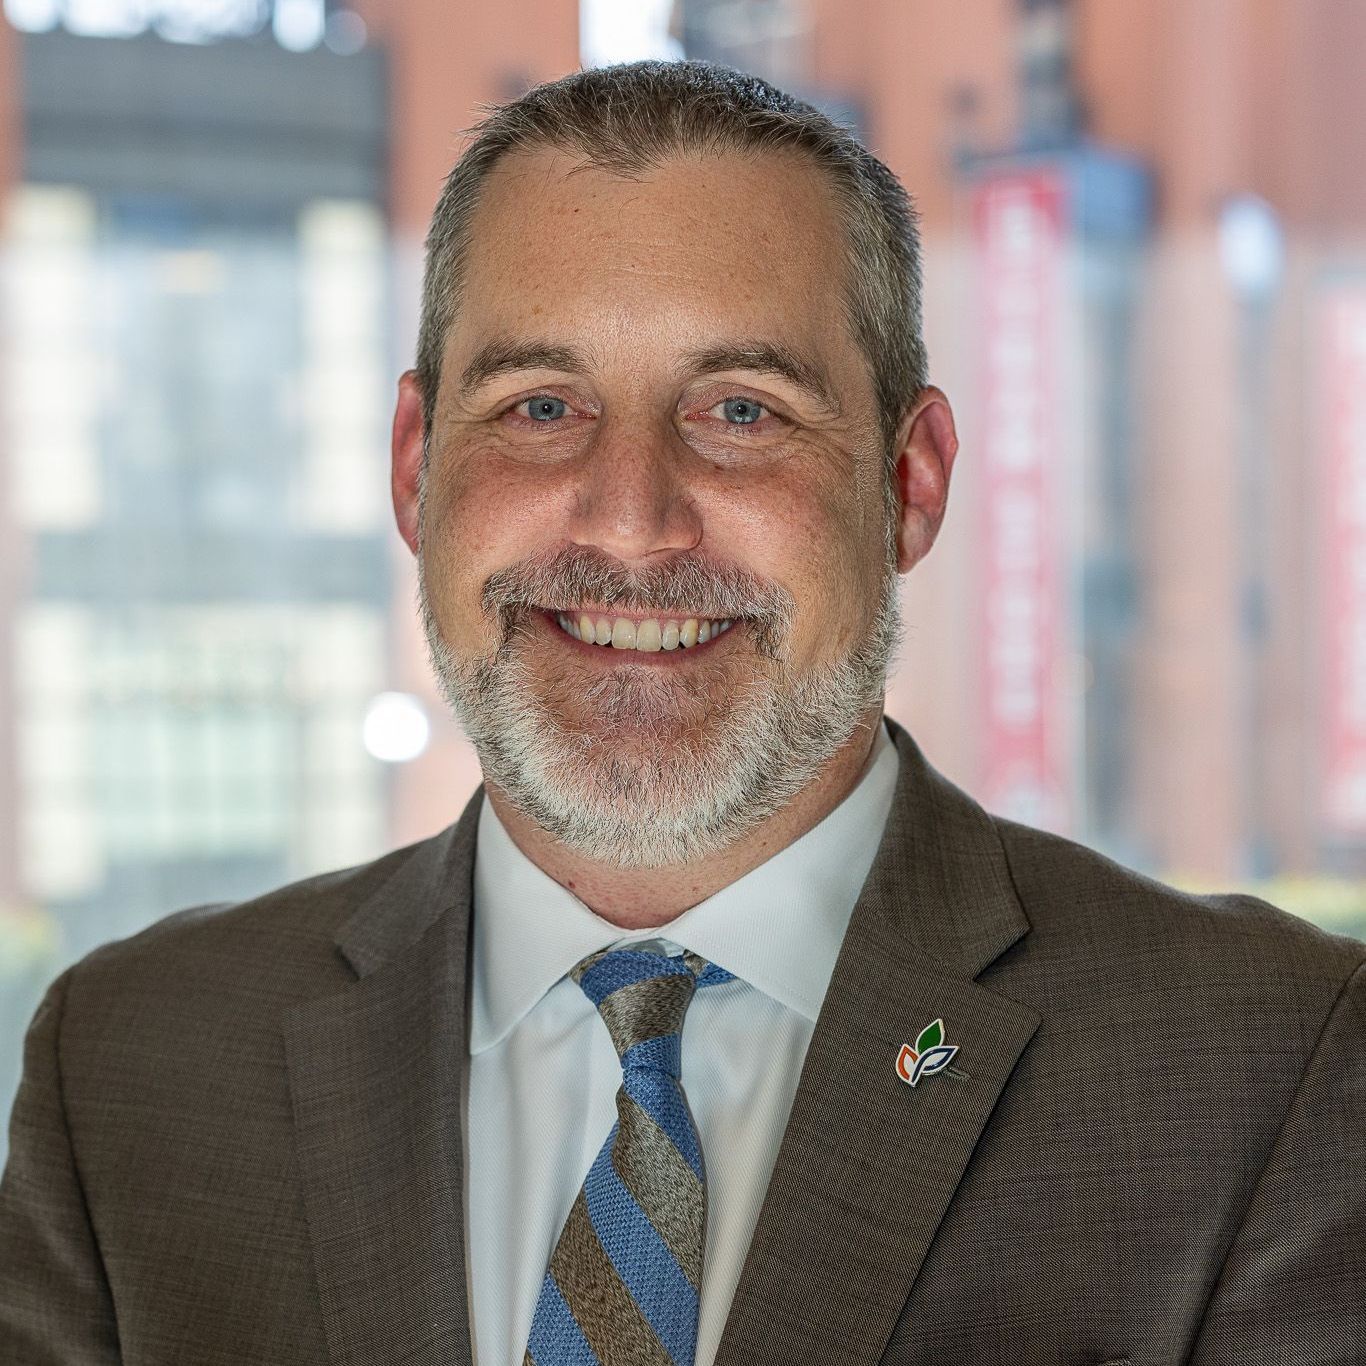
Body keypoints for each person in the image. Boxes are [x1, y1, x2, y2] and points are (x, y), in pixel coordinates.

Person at [1, 60, 1362, 1366]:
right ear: (416, 469)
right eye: (540, 406)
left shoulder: (1262, 1072)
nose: (631, 520)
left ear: (908, 483)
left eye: (739, 410)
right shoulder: (130, 1067)